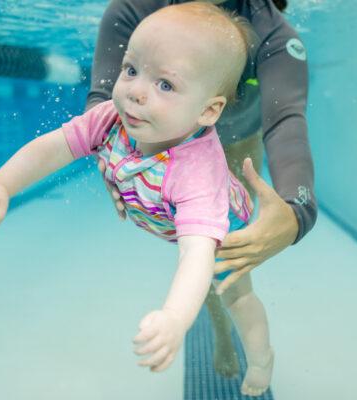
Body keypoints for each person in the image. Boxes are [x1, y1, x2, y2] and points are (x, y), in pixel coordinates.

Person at [0, 3, 276, 396]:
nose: (135, 92)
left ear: (208, 111)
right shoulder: (110, 116)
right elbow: (53, 148)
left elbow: (196, 256)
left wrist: (175, 318)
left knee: (238, 295)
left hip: (224, 231)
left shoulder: (195, 175)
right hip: (166, 211)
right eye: (131, 70)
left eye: (165, 85)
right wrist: (1, 185)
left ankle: (261, 358)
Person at [89, 0, 317, 380]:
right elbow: (102, 99)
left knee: (223, 256)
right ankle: (220, 329)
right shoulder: (133, 9)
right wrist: (105, 151)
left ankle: (228, 333)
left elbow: (285, 121)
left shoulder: (272, 34)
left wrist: (296, 212)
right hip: (162, 140)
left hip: (238, 144)